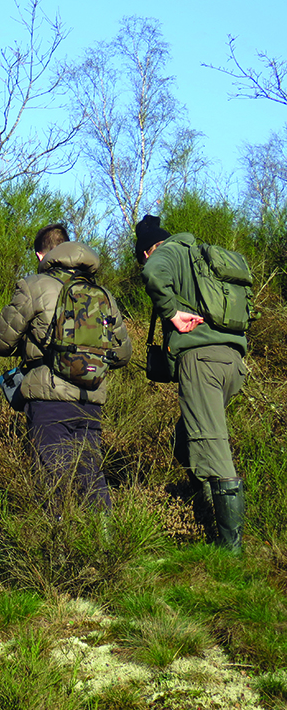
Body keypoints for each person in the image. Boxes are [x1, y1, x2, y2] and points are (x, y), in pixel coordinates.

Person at [0, 223, 132, 511]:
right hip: (90, 401)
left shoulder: (34, 286)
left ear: (42, 256)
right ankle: (105, 546)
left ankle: (57, 552)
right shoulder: (102, 294)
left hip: (48, 399)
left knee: (52, 480)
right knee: (92, 479)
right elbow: (124, 353)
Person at [136, 214, 248, 552]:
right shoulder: (204, 255)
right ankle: (201, 513)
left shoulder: (166, 253)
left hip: (202, 363)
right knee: (185, 439)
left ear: (145, 251)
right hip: (233, 362)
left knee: (212, 445)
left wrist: (171, 314)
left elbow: (153, 274)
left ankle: (230, 550)